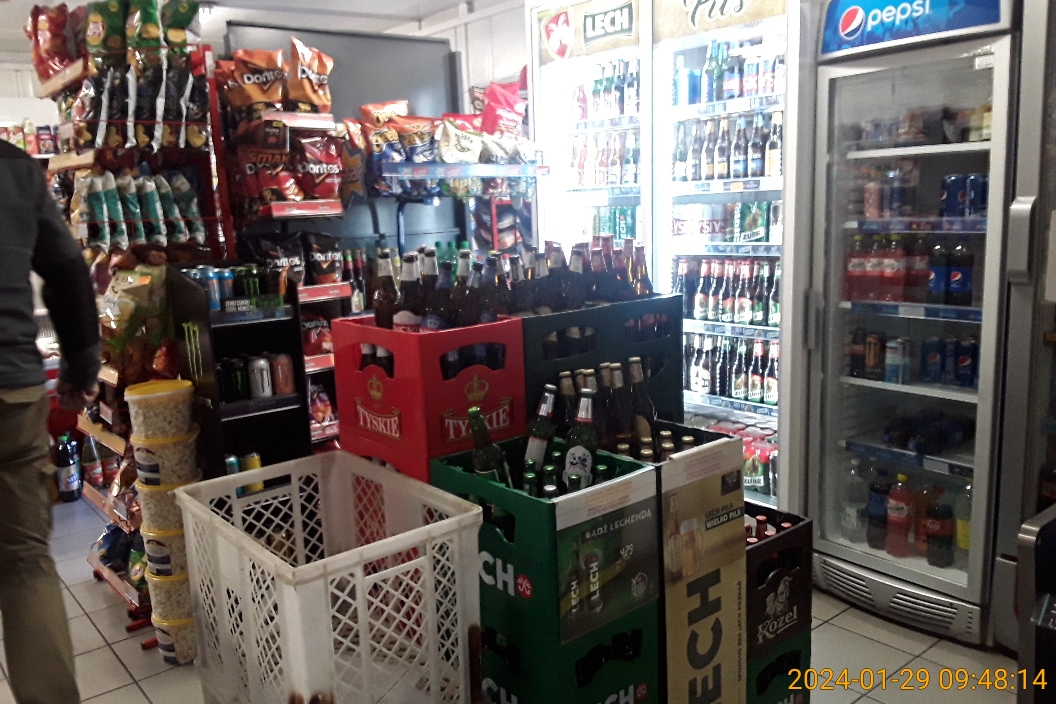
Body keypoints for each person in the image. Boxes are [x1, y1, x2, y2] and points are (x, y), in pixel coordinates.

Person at [0, 141, 100, 704]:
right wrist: (81, 368)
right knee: (24, 564)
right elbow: (67, 270)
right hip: (10, 391)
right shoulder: (14, 166)